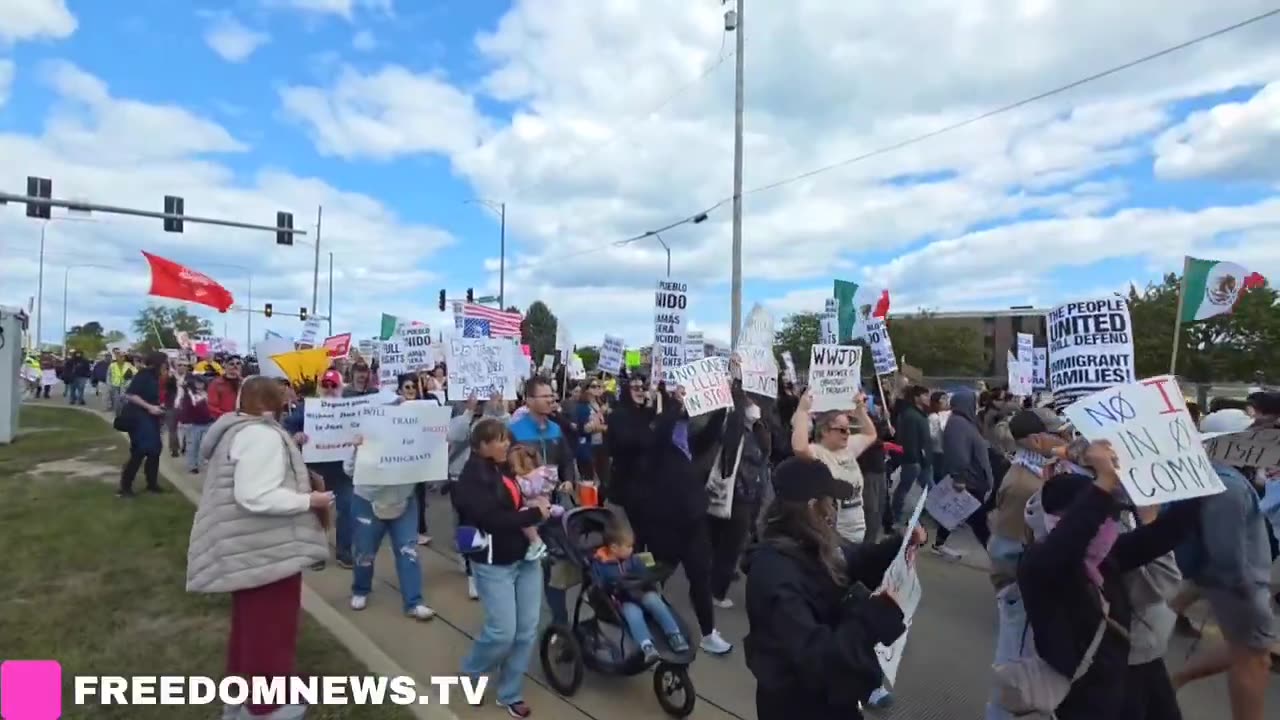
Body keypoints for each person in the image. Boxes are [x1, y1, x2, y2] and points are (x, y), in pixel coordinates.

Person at [1011, 442, 1200, 720]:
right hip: (1081, 696)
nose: (1110, 524)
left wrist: (1198, 483)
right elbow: (1072, 536)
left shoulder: (1105, 556)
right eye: (1103, 516)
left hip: (1121, 677)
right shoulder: (1041, 566)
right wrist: (1104, 482)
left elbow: (1165, 534)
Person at [186, 375, 333, 720]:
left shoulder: (239, 431)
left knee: (250, 628)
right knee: (271, 629)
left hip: (248, 546)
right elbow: (256, 494)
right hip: (265, 547)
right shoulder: (260, 436)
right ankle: (267, 707)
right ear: (273, 403)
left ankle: (239, 696)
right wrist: (309, 499)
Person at [745, 456, 925, 720]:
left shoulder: (805, 542)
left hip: (829, 700)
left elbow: (850, 560)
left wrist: (900, 545)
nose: (834, 510)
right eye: (830, 501)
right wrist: (874, 616)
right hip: (798, 706)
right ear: (812, 507)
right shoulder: (775, 574)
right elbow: (818, 658)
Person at [1171, 409, 1275, 720]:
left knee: (1249, 652)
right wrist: (1246, 590)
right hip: (1239, 588)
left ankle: (1174, 680)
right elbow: (1226, 551)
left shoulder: (1223, 475)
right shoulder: (1226, 485)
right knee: (1253, 663)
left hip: (1234, 586)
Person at [453, 418, 550, 719]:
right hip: (494, 564)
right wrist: (533, 514)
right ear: (480, 446)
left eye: (505, 438)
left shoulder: (508, 467)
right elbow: (491, 519)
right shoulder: (470, 479)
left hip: (526, 560)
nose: (505, 444)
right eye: (497, 440)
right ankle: (472, 671)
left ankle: (510, 692)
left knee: (526, 632)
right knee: (502, 632)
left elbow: (525, 493)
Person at [344, 433, 438, 621]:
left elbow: (429, 467)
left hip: (403, 500)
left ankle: (414, 602)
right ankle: (361, 589)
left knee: (408, 551)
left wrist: (439, 449)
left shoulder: (413, 437)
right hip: (368, 502)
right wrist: (357, 449)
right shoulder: (367, 438)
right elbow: (349, 470)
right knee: (365, 551)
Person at [285, 370, 356, 569]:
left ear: (341, 388)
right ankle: (315, 553)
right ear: (319, 387)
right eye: (326, 384)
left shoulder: (350, 408)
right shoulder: (307, 407)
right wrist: (296, 435)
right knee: (316, 511)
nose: (330, 389)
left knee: (347, 509)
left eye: (334, 385)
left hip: (343, 469)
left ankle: (344, 551)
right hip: (316, 469)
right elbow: (287, 428)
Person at [591, 520, 689, 661]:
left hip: (640, 591)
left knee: (655, 601)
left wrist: (647, 577)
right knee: (633, 613)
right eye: (628, 546)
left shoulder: (633, 560)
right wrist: (612, 586)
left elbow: (644, 574)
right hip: (621, 598)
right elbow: (600, 585)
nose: (632, 549)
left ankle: (674, 633)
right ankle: (646, 645)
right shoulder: (602, 565)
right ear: (614, 548)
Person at [790, 389, 878, 543]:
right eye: (842, 430)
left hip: (857, 531)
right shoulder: (818, 453)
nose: (848, 433)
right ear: (825, 431)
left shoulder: (848, 447)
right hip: (835, 536)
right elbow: (799, 448)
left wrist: (860, 412)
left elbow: (871, 435)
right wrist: (803, 411)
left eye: (849, 428)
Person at [447, 391, 510, 600]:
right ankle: (470, 572)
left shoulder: (492, 417)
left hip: (489, 477)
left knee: (487, 524)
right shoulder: (459, 416)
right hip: (460, 477)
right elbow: (454, 435)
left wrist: (498, 408)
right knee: (466, 526)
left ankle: (480, 565)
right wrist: (469, 411)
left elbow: (505, 432)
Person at [937, 389, 995, 558]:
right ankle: (994, 553)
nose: (975, 405)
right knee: (978, 520)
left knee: (956, 512)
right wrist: (959, 477)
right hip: (970, 480)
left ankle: (940, 543)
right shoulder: (958, 424)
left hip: (973, 478)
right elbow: (958, 453)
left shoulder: (965, 422)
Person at [117, 351, 169, 498]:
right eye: (165, 362)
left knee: (155, 450)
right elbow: (131, 395)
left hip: (151, 417)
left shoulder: (156, 377)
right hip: (138, 417)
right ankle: (125, 487)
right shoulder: (144, 375)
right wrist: (149, 407)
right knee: (140, 451)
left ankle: (152, 483)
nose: (167, 364)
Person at [508, 444, 565, 560]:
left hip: (536, 508)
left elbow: (527, 491)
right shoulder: (545, 472)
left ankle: (536, 542)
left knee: (523, 518)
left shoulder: (524, 479)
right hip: (549, 505)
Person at [890, 385, 933, 525]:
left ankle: (933, 511)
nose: (928, 398)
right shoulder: (911, 415)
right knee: (904, 487)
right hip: (914, 460)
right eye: (925, 395)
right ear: (916, 398)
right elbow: (909, 440)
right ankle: (895, 514)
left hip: (922, 459)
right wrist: (914, 458)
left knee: (929, 487)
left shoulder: (918, 414)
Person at [178, 374, 215, 474]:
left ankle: (201, 461)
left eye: (201, 382)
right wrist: (184, 421)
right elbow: (186, 408)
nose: (199, 384)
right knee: (193, 445)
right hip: (195, 424)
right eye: (197, 382)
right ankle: (192, 465)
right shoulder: (190, 394)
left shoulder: (208, 393)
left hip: (209, 422)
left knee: (205, 444)